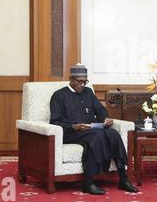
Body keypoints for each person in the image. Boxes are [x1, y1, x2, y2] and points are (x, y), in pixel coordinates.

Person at [50, 63, 139, 195]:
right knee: (96, 137)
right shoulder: (59, 96)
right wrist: (74, 126)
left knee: (113, 134)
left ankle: (123, 178)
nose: (83, 85)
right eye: (80, 82)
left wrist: (105, 119)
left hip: (91, 129)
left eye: (85, 82)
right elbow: (55, 122)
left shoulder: (88, 92)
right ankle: (88, 182)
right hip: (71, 132)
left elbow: (100, 110)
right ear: (72, 80)